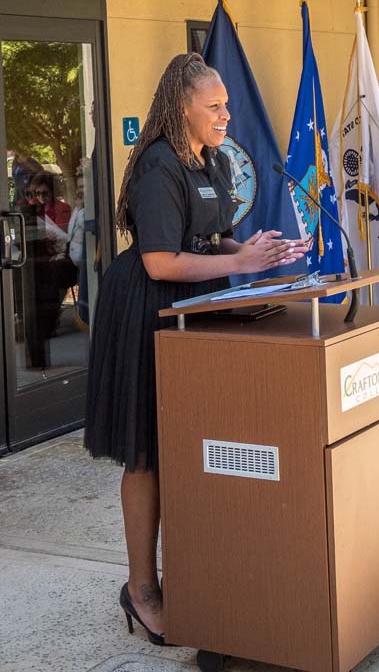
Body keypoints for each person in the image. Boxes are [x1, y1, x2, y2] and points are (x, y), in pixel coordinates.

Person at [84, 53, 308, 645]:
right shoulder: (158, 164)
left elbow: (206, 236)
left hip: (197, 306)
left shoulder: (210, 159)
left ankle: (197, 573)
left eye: (227, 105)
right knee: (148, 453)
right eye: (214, 106)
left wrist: (255, 248)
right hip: (148, 312)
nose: (226, 115)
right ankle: (142, 589)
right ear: (181, 107)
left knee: (191, 446)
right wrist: (237, 262)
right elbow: (160, 258)